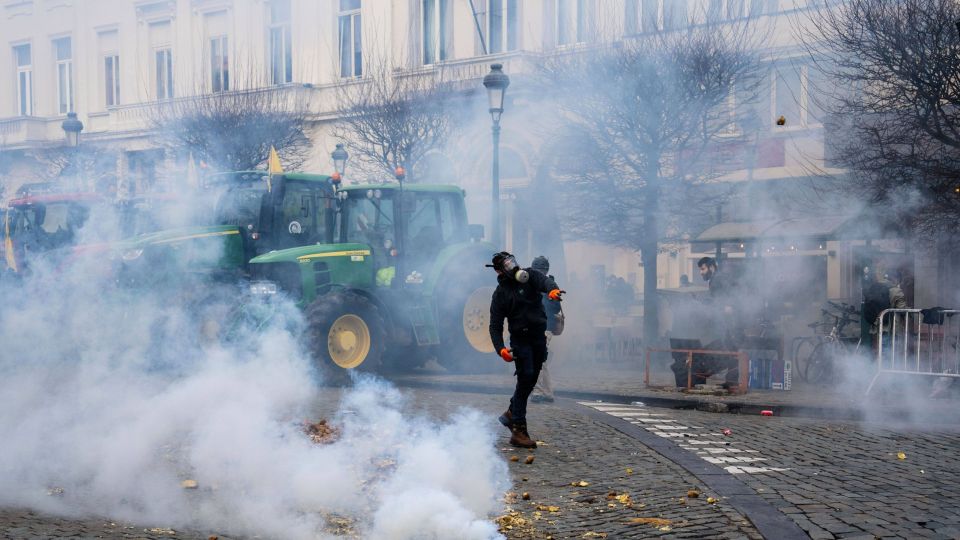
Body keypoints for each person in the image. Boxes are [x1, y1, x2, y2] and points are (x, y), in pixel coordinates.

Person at [488, 251, 563, 449]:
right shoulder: (500, 294)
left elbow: (545, 281)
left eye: (512, 261)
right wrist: (500, 349)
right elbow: (495, 326)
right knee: (526, 377)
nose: (512, 266)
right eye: (507, 264)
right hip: (520, 340)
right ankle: (518, 430)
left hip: (538, 337)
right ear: (499, 271)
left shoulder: (529, 276)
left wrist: (552, 290)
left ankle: (511, 412)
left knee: (532, 378)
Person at [530, 255, 562, 404]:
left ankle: (537, 391)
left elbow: (556, 307)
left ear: (544, 271)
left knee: (537, 359)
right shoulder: (532, 283)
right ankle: (548, 392)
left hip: (545, 326)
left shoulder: (551, 285)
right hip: (534, 326)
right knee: (541, 361)